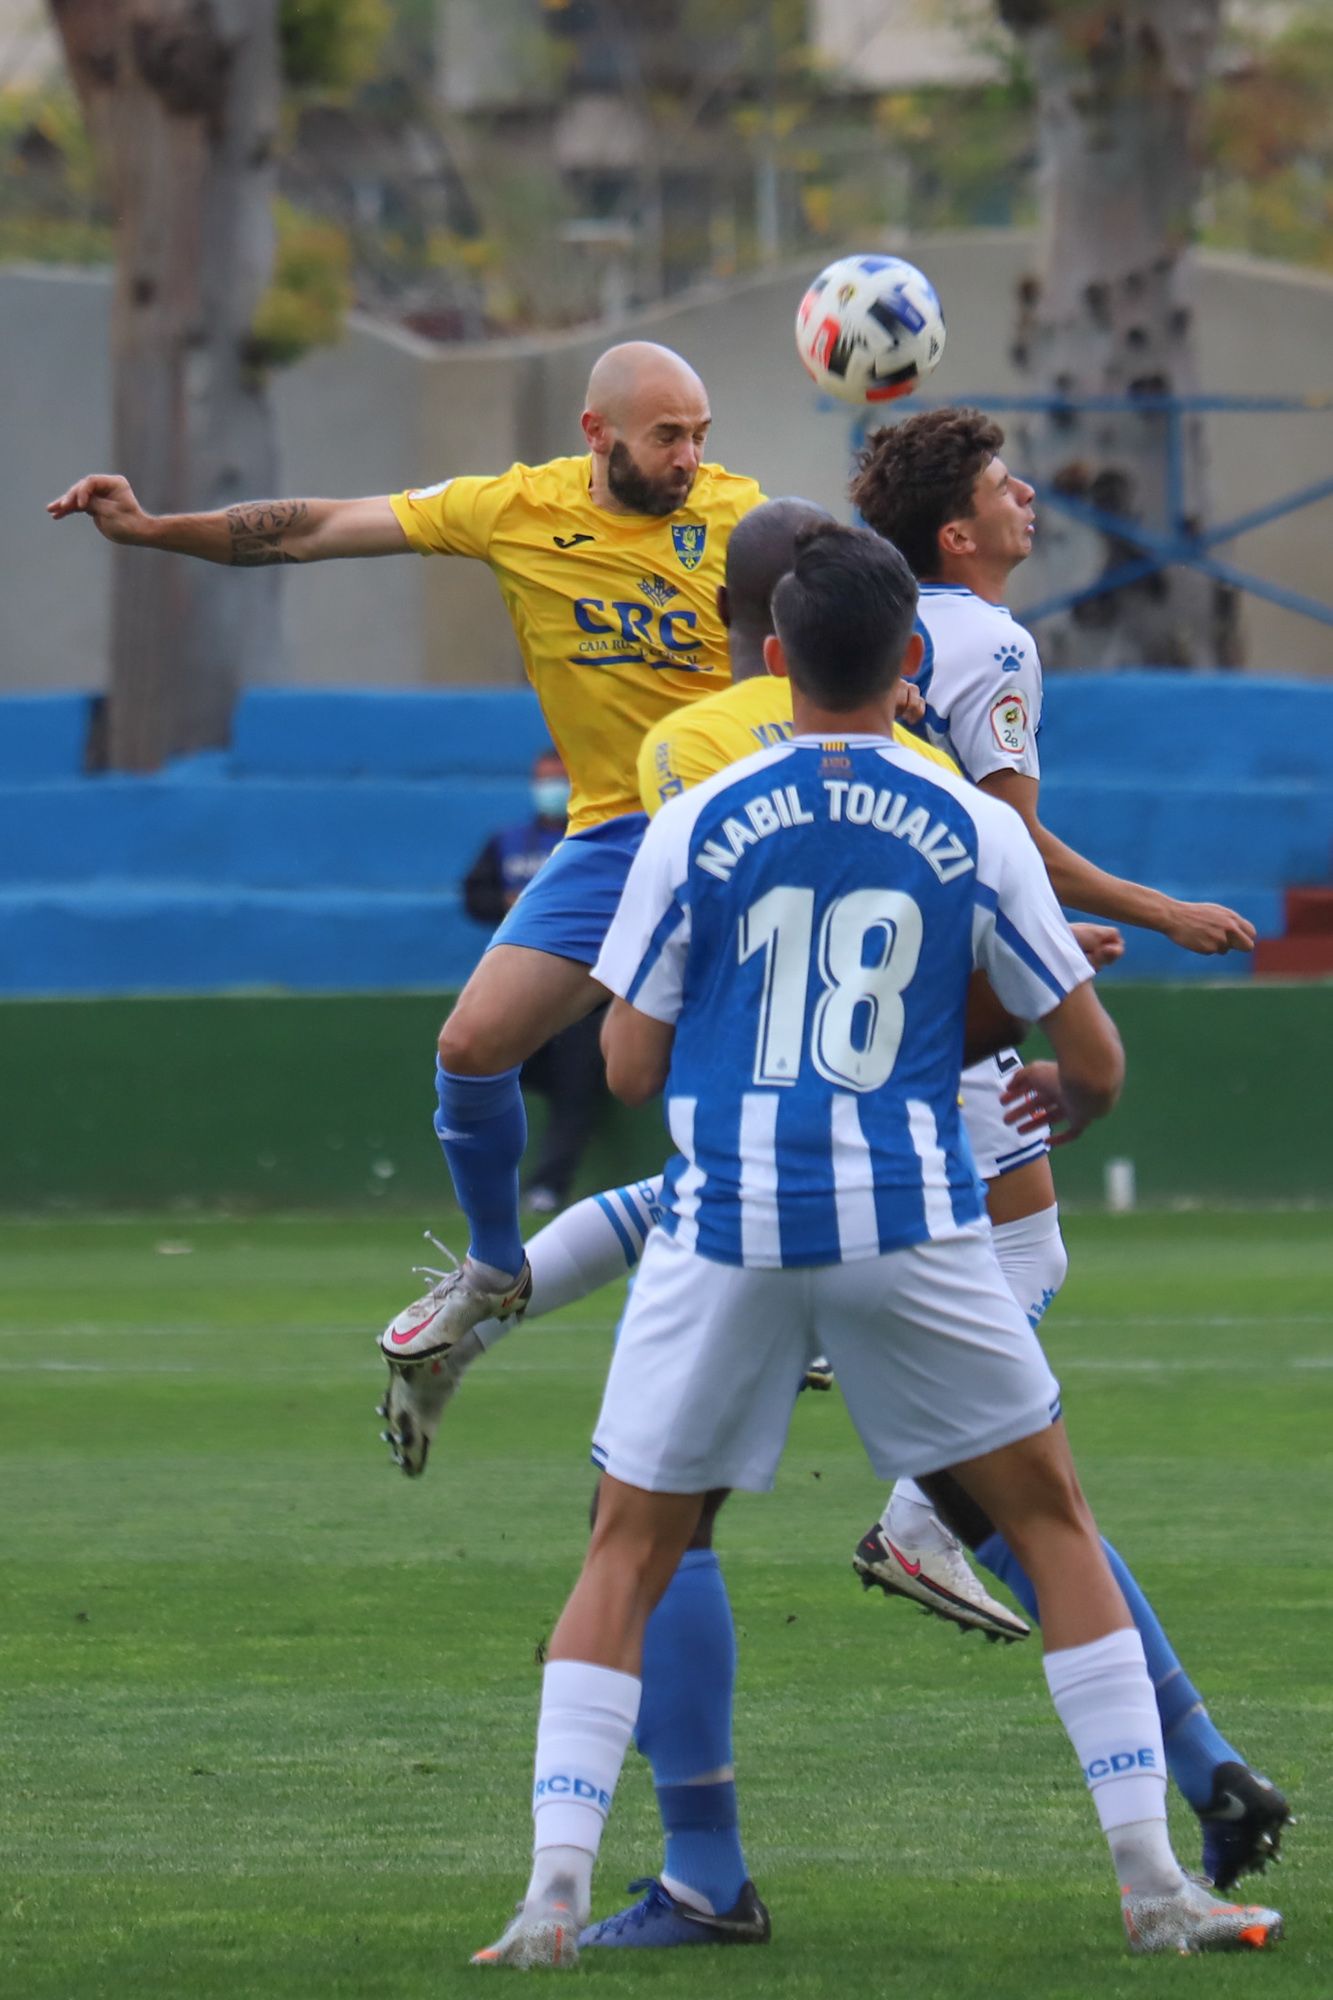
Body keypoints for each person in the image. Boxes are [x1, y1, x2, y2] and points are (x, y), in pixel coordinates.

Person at [471, 522, 1280, 1966]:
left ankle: (548, 1890)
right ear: (910, 666)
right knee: (1049, 1521)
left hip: (726, 1225)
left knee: (629, 1546)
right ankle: (1156, 1884)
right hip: (911, 1219)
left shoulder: (694, 818)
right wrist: (1066, 1102)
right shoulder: (966, 820)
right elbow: (1083, 1054)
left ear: (775, 661)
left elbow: (635, 1069)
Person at [48, 340, 764, 1405]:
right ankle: (492, 1267)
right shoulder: (512, 510)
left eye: (701, 434)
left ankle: (819, 1273)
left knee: (727, 1095)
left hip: (734, 837)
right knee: (472, 1048)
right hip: (615, 837)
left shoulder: (745, 517)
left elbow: (852, 617)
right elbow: (323, 528)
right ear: (597, 433)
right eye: (670, 436)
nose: (691, 457)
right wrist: (159, 531)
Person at [848, 408, 1288, 1886]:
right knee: (1022, 1440)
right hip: (950, 1008)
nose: (1027, 493)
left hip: (854, 1022)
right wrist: (1149, 920)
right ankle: (916, 1498)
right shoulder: (993, 645)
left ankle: (1209, 1772)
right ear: (956, 536)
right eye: (998, 484)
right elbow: (1005, 842)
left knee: (1024, 1420)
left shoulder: (861, 627)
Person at [462, 749, 608, 1212]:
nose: (551, 789)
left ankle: (547, 1186)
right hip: (522, 984)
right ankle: (487, 1183)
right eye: (543, 779)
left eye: (559, 779)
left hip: (587, 989)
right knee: (492, 1070)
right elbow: (474, 896)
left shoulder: (595, 842)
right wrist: (509, 904)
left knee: (577, 1087)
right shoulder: (507, 843)